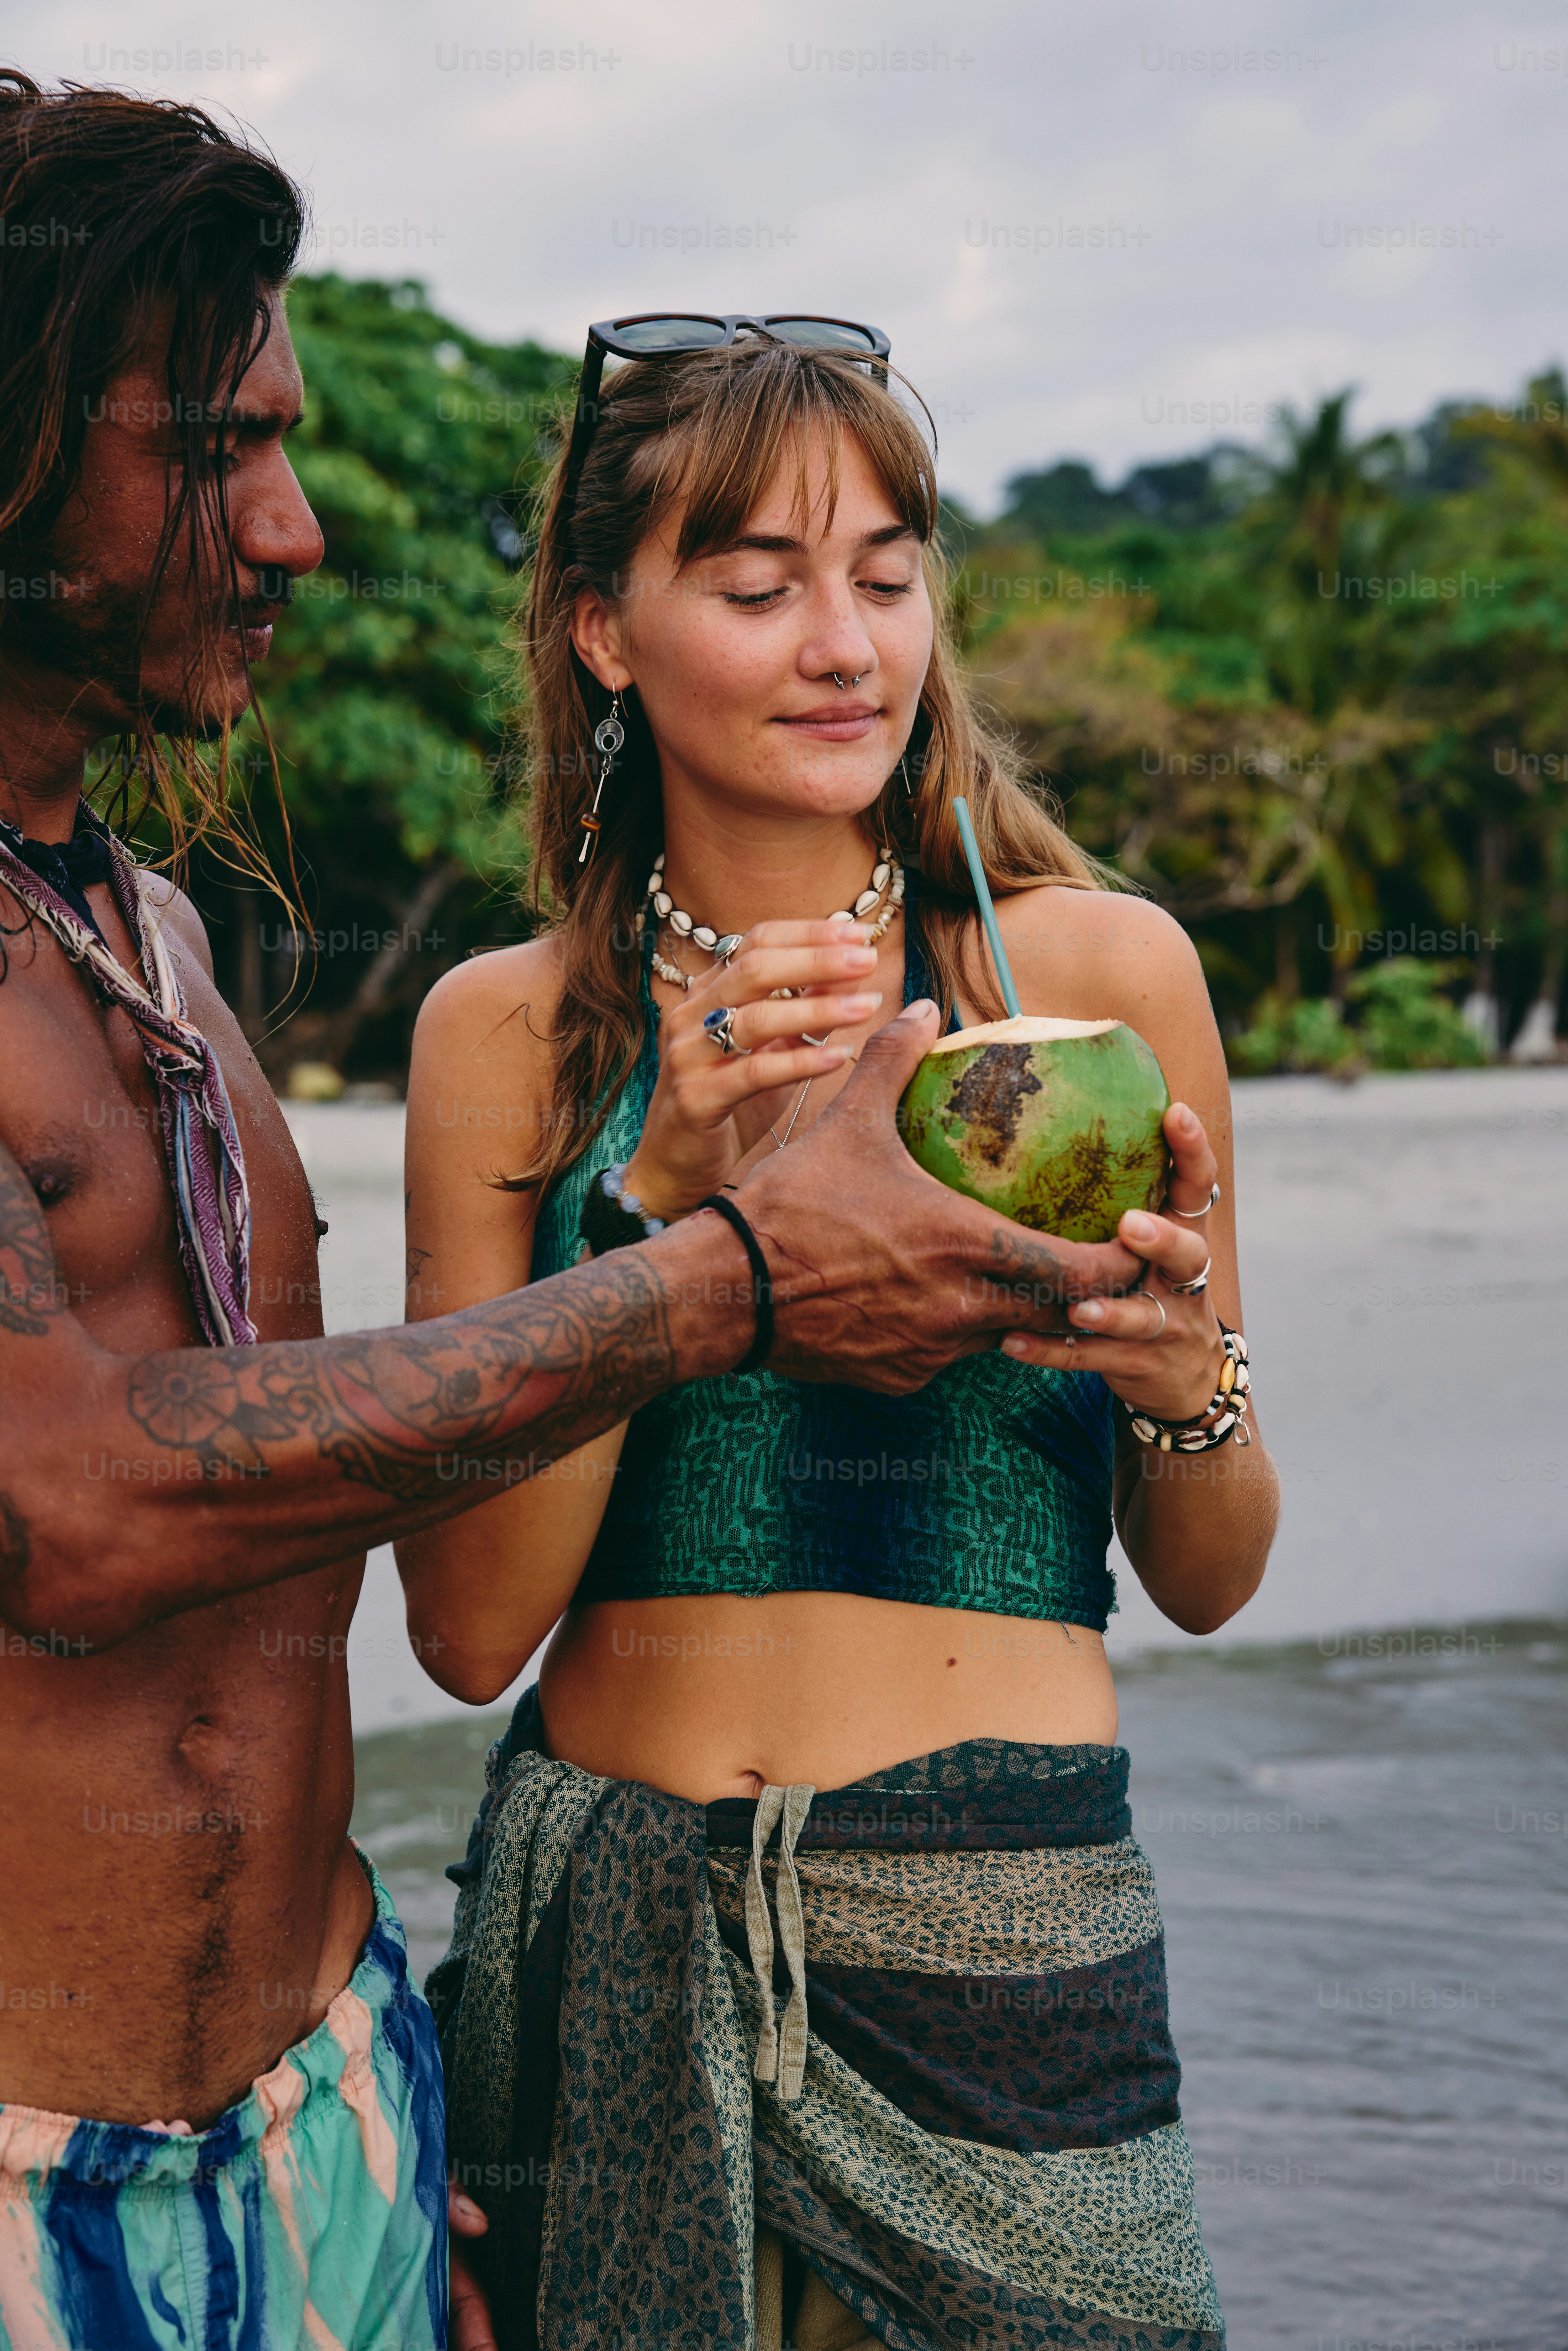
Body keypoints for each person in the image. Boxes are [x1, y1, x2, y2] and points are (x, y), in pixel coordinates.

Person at [0, 92, 1138, 2351]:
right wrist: (717, 1264)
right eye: (218, 449)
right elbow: (73, 1509)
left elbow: (294, 1594)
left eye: (891, 574)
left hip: (340, 2116)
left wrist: (416, 2113)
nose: (299, 530)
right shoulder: (485, 1031)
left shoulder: (142, 933)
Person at [400, 318, 1280, 2350]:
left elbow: (1216, 1576)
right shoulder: (514, 1038)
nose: (845, 644)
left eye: (887, 575)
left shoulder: (1083, 976)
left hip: (997, 1929)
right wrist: (656, 1230)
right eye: (757, 583)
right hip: (605, 1927)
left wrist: (1180, 1384)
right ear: (604, 631)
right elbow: (462, 1633)